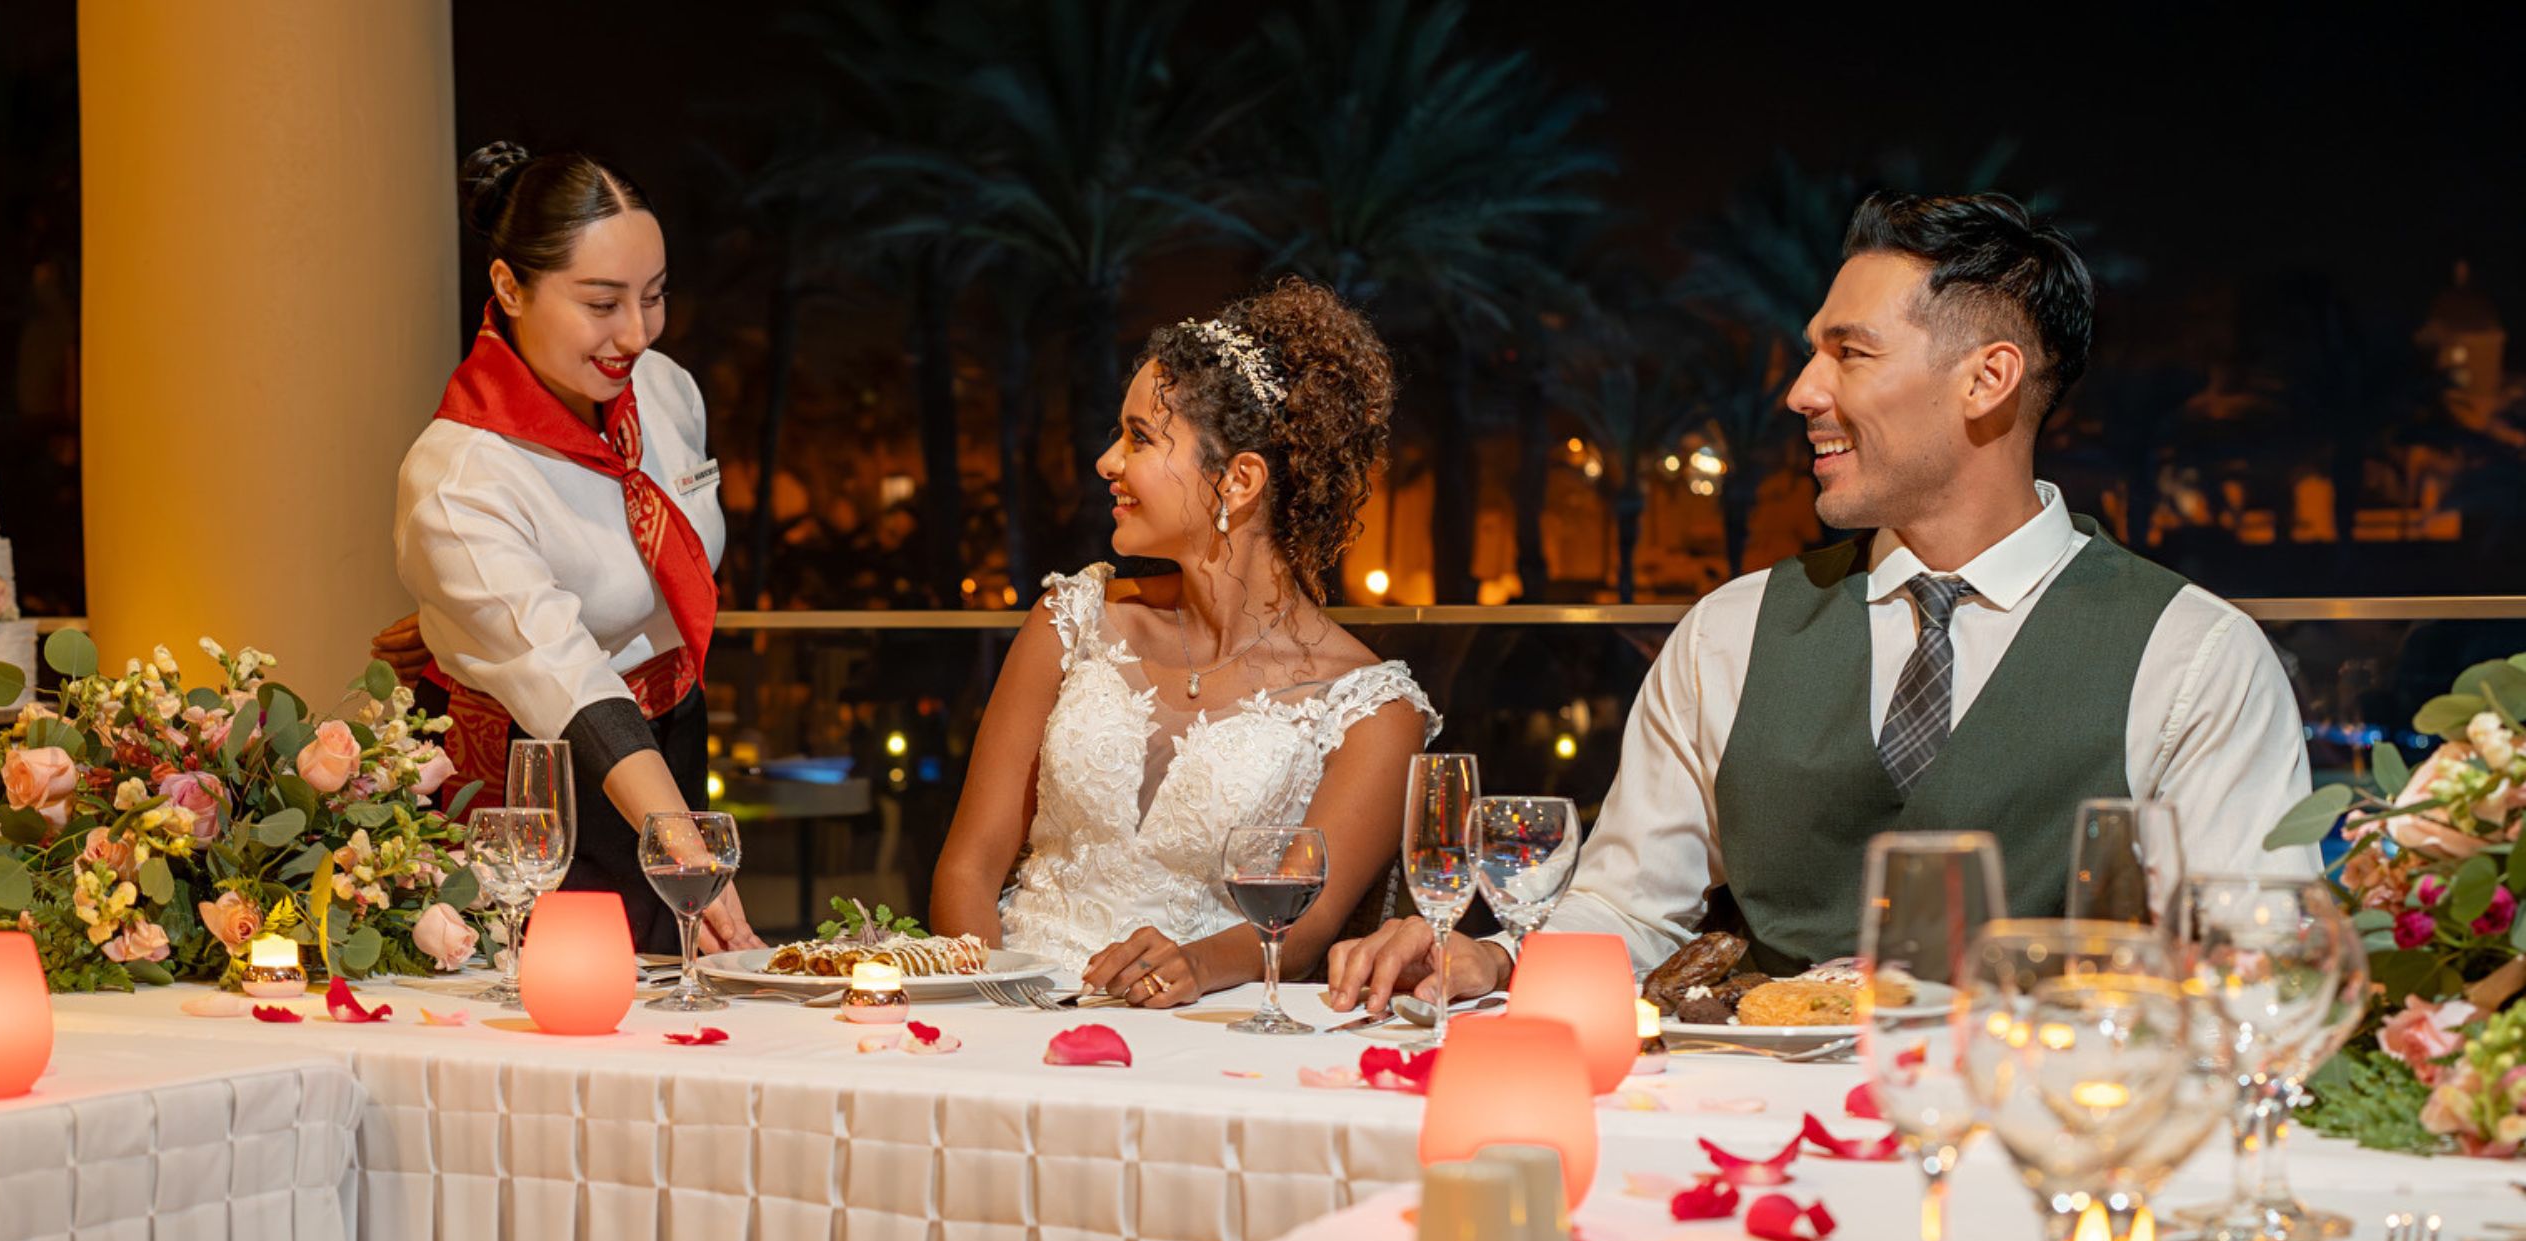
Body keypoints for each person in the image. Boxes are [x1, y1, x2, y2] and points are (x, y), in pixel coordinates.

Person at [1326, 191, 2316, 1015]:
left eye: (1852, 353)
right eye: (1814, 352)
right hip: (1747, 1137)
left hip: (2040, 1150)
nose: (1803, 390)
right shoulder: (1730, 631)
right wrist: (1496, 959)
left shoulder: (2195, 658)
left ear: (1988, 379)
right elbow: (1631, 907)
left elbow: (2249, 971)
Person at [930, 280, 1435, 1005]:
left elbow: (1304, 925)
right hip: (1010, 1005)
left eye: (1139, 438)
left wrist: (1192, 969)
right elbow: (969, 867)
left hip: (1206, 1027)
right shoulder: (1069, 621)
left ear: (1238, 480)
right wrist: (993, 1002)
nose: (1108, 462)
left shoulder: (1371, 709)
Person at [377, 142, 759, 954]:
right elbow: (568, 680)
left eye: (652, 298)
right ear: (510, 287)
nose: (636, 333)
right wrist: (680, 838)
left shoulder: (664, 390)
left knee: (675, 994)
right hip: (540, 774)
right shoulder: (461, 475)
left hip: (669, 739)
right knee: (566, 1007)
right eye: (601, 303)